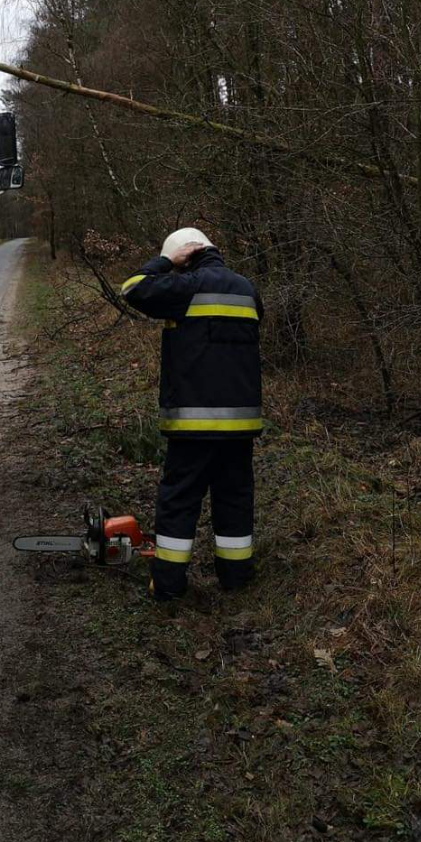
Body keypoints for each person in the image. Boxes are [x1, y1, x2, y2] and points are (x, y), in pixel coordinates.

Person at [120, 228, 263, 601]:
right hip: (241, 428)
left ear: (187, 257)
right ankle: (236, 577)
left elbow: (133, 288)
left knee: (180, 501)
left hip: (192, 427)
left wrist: (167, 262)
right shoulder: (247, 289)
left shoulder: (184, 288)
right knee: (235, 498)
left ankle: (168, 584)